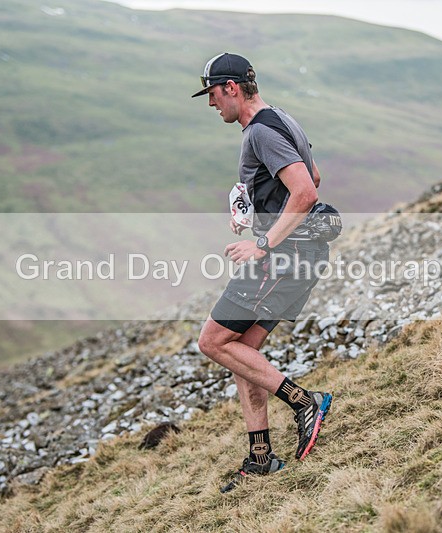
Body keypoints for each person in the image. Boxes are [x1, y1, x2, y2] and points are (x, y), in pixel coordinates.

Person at [192, 52, 333, 493]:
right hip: (298, 256)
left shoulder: (258, 132)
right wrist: (252, 208)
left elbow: (306, 192)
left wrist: (262, 242)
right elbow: (313, 173)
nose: (211, 103)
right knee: (242, 350)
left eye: (212, 94)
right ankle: (260, 458)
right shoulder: (282, 120)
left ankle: (306, 402)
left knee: (213, 341)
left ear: (231, 87)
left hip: (280, 258)